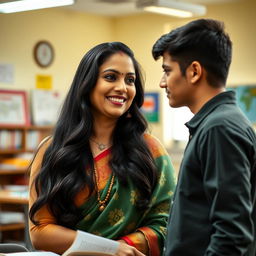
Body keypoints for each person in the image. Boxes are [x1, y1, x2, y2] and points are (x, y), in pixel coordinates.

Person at [28, 42, 176, 256]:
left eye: (130, 80)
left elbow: (165, 223)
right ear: (87, 84)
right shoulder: (53, 150)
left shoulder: (151, 151)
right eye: (110, 77)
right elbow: (40, 231)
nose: (122, 87)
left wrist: (123, 248)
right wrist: (109, 250)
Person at [152, 18, 256, 256]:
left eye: (167, 71)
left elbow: (232, 233)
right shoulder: (216, 123)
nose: (162, 82)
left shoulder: (219, 128)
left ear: (194, 71)